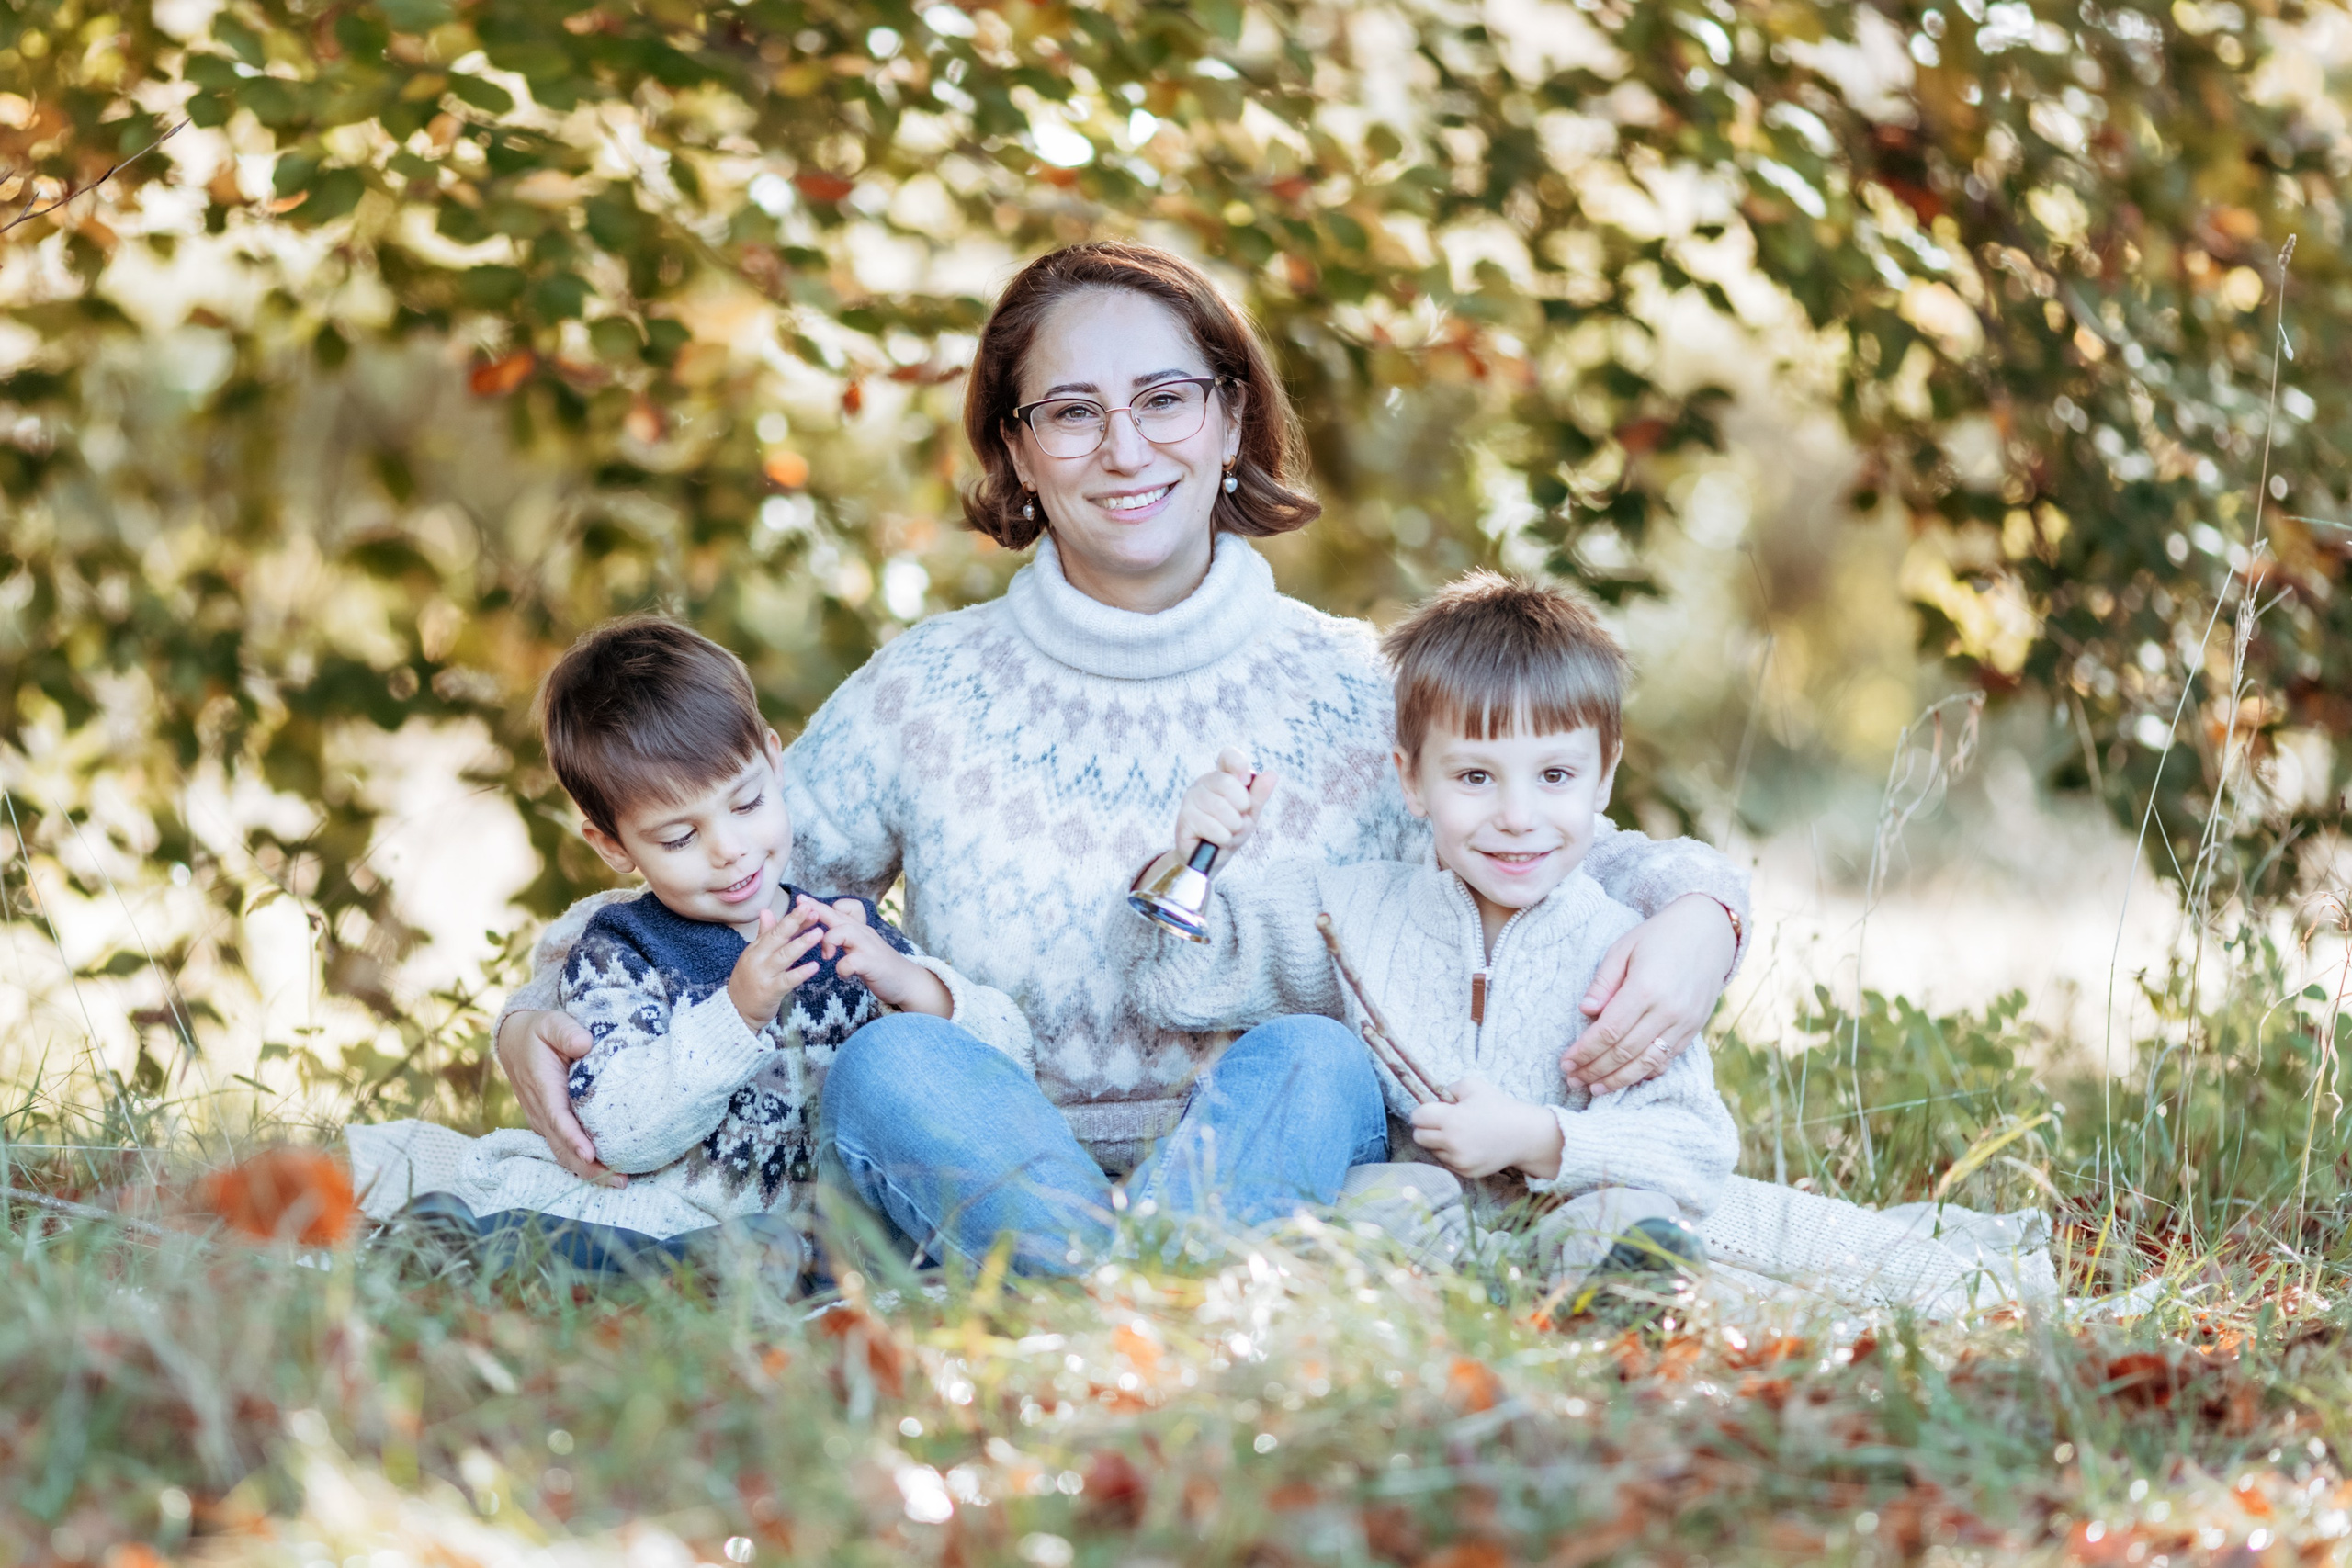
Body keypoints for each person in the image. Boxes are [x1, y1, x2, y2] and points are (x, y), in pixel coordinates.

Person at [487, 241, 1751, 1273]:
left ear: (1229, 415)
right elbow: (713, 865)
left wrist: (1704, 914)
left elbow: (1558, 838)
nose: (1126, 448)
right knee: (891, 1061)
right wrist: (535, 1008)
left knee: (1314, 1054)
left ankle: (1095, 1292)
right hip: (982, 1151)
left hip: (1274, 1144)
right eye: (1072, 413)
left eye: (1163, 399)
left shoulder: (1352, 685)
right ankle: (1152, 1292)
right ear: (1020, 452)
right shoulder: (931, 687)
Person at [344, 618, 1036, 1273]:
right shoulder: (623, 953)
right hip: (670, 1212)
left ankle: (758, 1269)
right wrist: (732, 1016)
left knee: (820, 1255)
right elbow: (613, 1132)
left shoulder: (845, 929)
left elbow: (1006, 1067)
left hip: (829, 1234)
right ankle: (460, 1246)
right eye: (679, 838)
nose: (730, 851)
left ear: (773, 757)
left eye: (745, 804)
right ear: (613, 845)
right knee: (585, 1238)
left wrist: (915, 985)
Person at [1117, 572, 1736, 1298]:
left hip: (1565, 1218)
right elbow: (1177, 983)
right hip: (1424, 1236)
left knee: (1629, 1216)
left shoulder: (1624, 950)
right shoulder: (1349, 909)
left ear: (1603, 780)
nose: (1516, 814)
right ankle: (1408, 1298)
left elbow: (1695, 1148)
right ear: (1413, 782)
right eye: (1475, 776)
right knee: (1380, 1196)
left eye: (1556, 774)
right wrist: (1188, 862)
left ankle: (1605, 1301)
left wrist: (1536, 1137)